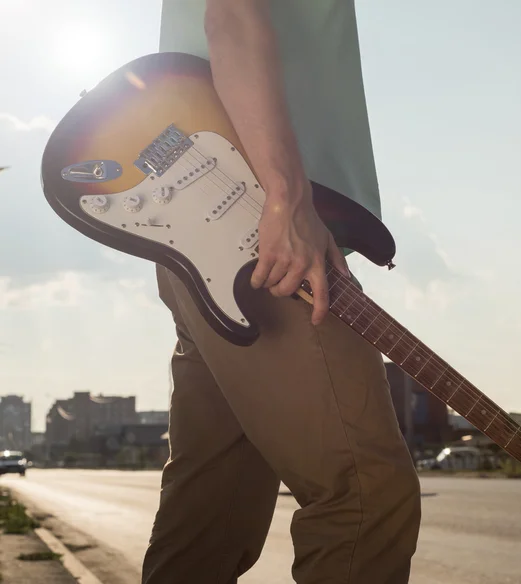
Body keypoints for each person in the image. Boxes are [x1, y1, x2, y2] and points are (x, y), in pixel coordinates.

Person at [142, 1, 422, 583]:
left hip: (217, 220)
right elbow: (233, 16)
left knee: (213, 510)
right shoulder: (272, 206)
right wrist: (285, 198)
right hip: (254, 223)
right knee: (365, 494)